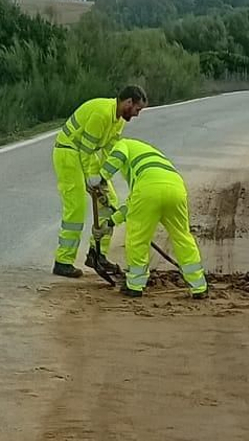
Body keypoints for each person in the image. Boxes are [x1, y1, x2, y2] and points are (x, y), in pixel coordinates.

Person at [51, 88, 147, 280]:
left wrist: (103, 177)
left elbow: (111, 152)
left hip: (84, 155)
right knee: (76, 208)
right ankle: (63, 261)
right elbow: (86, 149)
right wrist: (91, 177)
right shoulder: (102, 114)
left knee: (109, 202)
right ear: (128, 102)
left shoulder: (118, 120)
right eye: (137, 109)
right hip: (68, 153)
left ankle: (97, 254)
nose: (137, 114)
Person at [103, 136, 209, 300]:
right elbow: (133, 204)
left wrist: (101, 177)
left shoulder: (121, 144)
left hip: (148, 192)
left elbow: (118, 157)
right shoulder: (149, 155)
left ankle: (135, 285)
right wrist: (111, 221)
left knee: (137, 238)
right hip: (176, 189)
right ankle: (199, 286)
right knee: (182, 236)